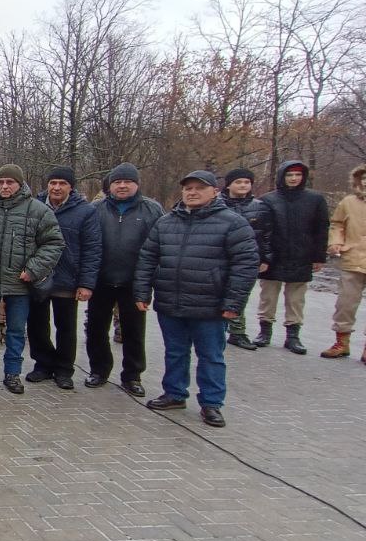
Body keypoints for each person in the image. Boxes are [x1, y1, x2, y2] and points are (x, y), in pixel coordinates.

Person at [136, 170, 259, 428]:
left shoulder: (232, 223)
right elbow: (148, 258)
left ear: (215, 191)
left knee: (211, 355)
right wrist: (142, 291)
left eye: (199, 188)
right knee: (175, 352)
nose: (192, 193)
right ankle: (174, 393)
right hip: (171, 301)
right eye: (188, 188)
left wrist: (233, 303)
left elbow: (246, 265)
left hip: (210, 305)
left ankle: (212, 403)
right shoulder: (167, 222)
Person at [0, 164, 65, 394]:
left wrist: (34, 268)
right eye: (0, 182)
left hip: (19, 283)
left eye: (9, 182)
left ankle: (12, 373)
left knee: (16, 330)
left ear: (20, 184)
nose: (4, 186)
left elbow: (54, 243)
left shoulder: (37, 210)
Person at [84, 162, 163, 396]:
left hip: (134, 281)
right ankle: (98, 370)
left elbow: (158, 248)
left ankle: (132, 375)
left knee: (133, 331)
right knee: (96, 329)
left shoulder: (152, 210)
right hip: (101, 279)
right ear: (110, 186)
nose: (121, 186)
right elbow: (89, 245)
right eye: (117, 182)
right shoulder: (96, 209)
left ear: (136, 184)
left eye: (127, 182)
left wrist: (150, 281)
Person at [24, 167, 101, 390]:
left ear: (71, 187)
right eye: (53, 183)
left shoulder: (85, 212)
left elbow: (92, 249)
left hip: (68, 278)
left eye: (62, 184)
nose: (57, 187)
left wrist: (86, 283)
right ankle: (43, 364)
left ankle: (64, 369)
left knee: (65, 327)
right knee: (37, 325)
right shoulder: (34, 206)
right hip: (38, 277)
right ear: (47, 184)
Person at [254, 160, 329, 354]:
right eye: (289, 175)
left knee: (296, 298)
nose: (294, 179)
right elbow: (261, 231)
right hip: (273, 255)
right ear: (282, 176)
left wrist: (319, 256)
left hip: (301, 254)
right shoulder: (268, 200)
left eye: (297, 175)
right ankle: (264, 331)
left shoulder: (315, 200)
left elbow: (321, 229)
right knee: (268, 296)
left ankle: (293, 335)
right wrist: (262, 256)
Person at [217, 168, 271, 350]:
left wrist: (265, 258)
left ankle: (238, 332)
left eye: (246, 182)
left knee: (239, 293)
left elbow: (266, 235)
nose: (242, 185)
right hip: (219, 256)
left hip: (247, 258)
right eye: (238, 182)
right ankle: (220, 327)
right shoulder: (217, 203)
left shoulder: (260, 206)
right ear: (229, 184)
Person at [323, 164, 366, 361]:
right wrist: (336, 242)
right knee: (345, 303)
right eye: (363, 177)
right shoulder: (348, 201)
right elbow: (337, 224)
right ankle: (342, 341)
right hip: (352, 258)